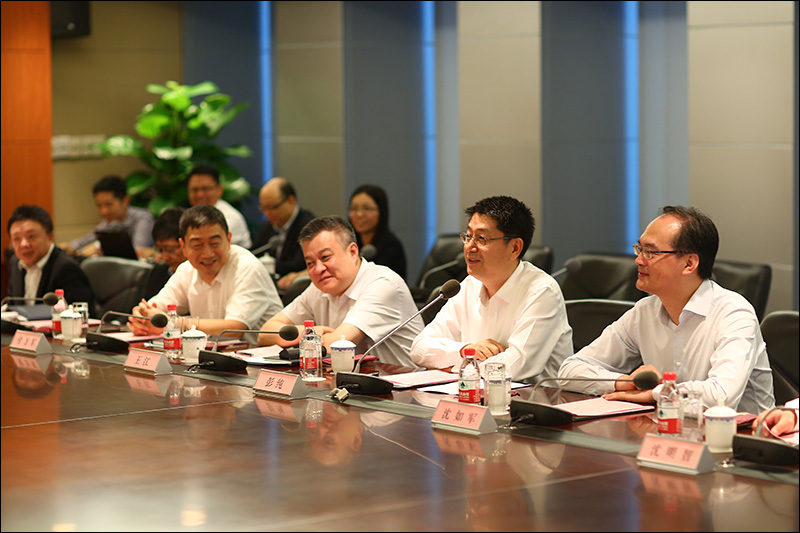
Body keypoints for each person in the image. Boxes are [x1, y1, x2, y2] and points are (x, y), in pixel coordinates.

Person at [558, 206, 775, 415]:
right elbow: (569, 370)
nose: (638, 260)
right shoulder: (644, 312)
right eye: (639, 249)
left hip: (741, 436)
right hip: (670, 429)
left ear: (689, 264)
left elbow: (721, 397)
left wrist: (656, 393)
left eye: (650, 252)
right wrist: (623, 382)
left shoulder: (733, 313)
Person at [409, 196, 572, 383]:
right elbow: (419, 349)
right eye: (468, 236)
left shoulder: (541, 291)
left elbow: (515, 367)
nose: (470, 247)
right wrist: (466, 351)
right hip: (474, 395)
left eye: (481, 238)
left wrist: (458, 362)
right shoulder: (469, 285)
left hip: (535, 398)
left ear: (515, 248)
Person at [258, 215, 422, 368]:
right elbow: (265, 333)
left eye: (325, 257)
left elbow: (337, 344)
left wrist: (309, 337)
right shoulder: (319, 288)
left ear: (353, 252)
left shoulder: (383, 284)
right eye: (310, 263)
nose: (318, 269)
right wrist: (309, 332)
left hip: (403, 386)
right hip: (351, 382)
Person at [128, 205, 282, 342]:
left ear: (228, 240)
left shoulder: (247, 267)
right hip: (211, 357)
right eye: (197, 245)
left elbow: (234, 329)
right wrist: (142, 316)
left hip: (260, 359)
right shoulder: (187, 269)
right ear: (183, 246)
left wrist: (173, 323)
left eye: (215, 243)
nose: (207, 254)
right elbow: (156, 307)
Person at [6, 205, 95, 316]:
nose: (24, 244)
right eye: (16, 239)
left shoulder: (66, 268)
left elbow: (83, 315)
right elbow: (12, 306)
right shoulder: (15, 262)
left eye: (31, 236)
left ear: (50, 237)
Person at [62, 175, 155, 259]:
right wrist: (69, 247)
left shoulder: (143, 219)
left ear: (125, 201)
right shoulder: (109, 223)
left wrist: (97, 247)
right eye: (99, 205)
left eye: (109, 204)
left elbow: (139, 251)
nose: (103, 211)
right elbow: (86, 239)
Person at [252, 177, 315, 281]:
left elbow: (299, 265)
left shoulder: (308, 226)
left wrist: (268, 265)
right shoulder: (267, 227)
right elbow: (255, 252)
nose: (267, 213)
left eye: (273, 207)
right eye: (264, 208)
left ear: (291, 200)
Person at [348, 184, 407, 280]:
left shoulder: (392, 246)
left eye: (366, 208)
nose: (359, 214)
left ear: (381, 212)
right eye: (354, 208)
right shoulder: (348, 243)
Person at [187, 164, 252, 249]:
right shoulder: (190, 216)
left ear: (219, 190)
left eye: (205, 189)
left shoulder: (229, 217)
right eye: (195, 190)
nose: (200, 195)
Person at [143, 206, 186, 299]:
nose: (165, 257)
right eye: (160, 250)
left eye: (170, 250)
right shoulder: (158, 273)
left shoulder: (200, 276)